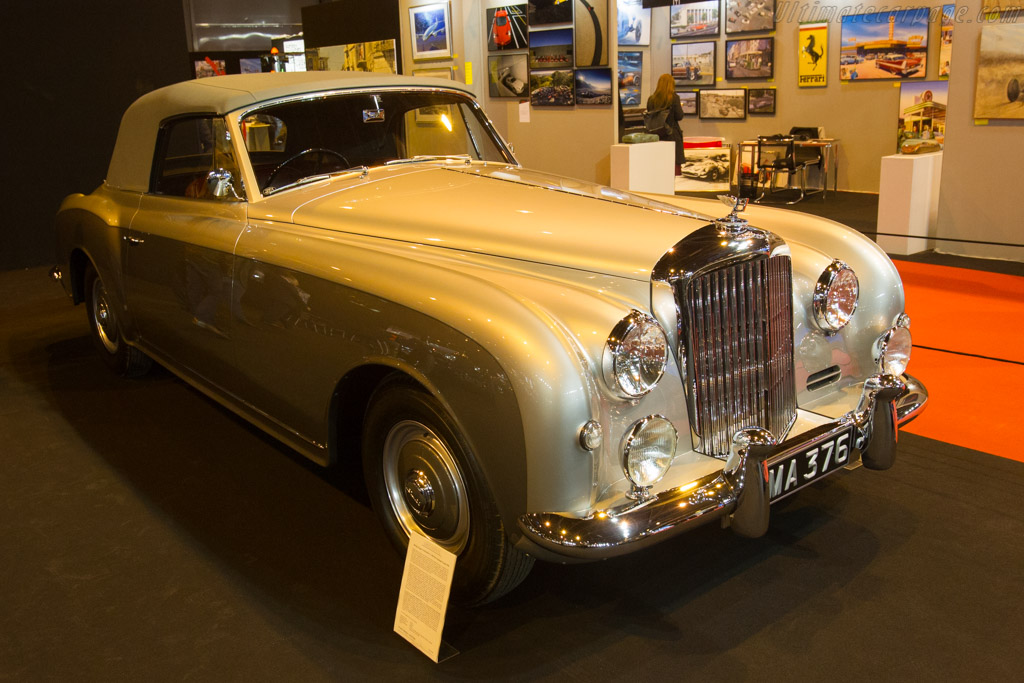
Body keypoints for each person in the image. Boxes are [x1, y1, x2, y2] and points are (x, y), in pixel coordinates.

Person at [646, 73, 685, 175]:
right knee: (673, 171)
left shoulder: (651, 99)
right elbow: (679, 116)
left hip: (655, 137)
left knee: (659, 170)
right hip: (671, 136)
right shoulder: (674, 98)